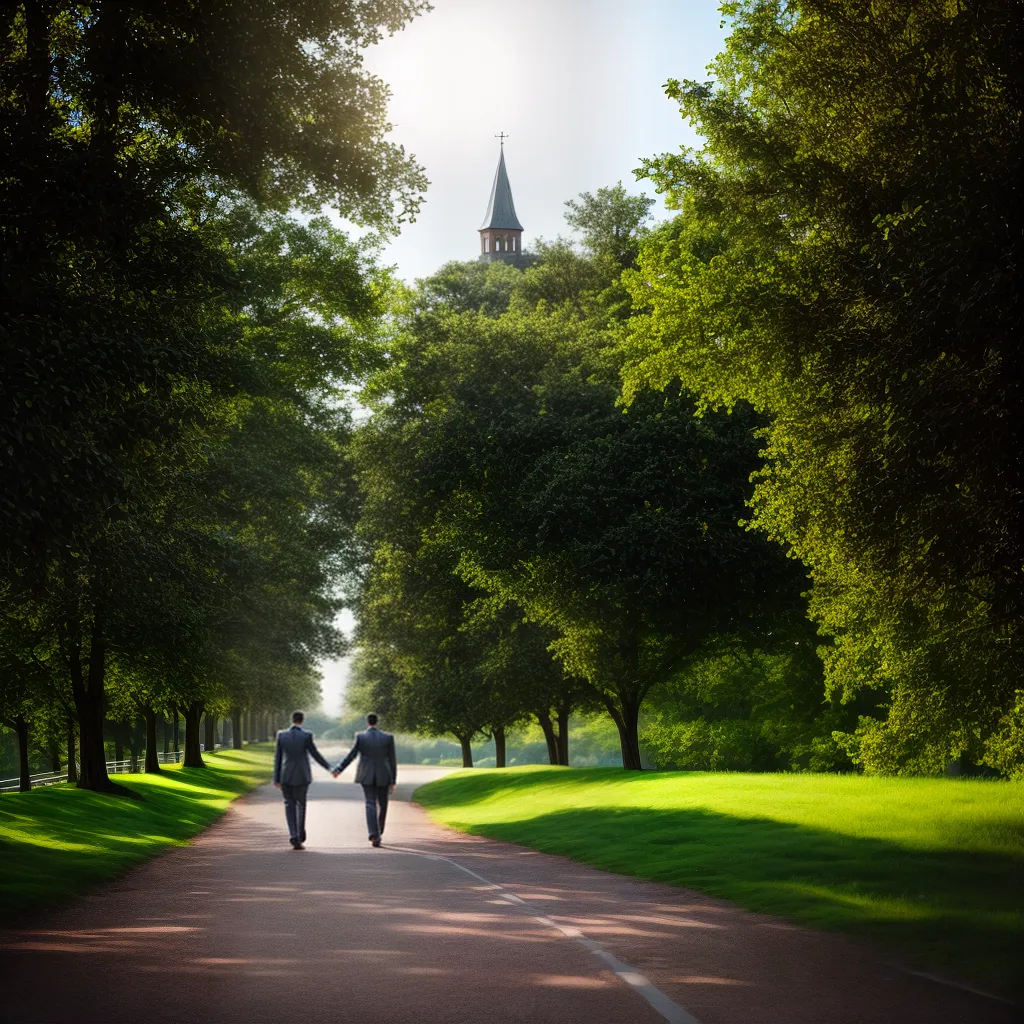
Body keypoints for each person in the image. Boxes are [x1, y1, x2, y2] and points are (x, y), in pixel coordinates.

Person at [333, 713, 397, 847]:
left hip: (366, 774)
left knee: (370, 803)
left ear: (367, 722)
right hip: (383, 774)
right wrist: (393, 780)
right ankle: (379, 832)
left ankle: (374, 834)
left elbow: (351, 755)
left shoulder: (360, 737)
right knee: (383, 804)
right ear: (377, 722)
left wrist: (339, 769)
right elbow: (392, 760)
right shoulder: (387, 738)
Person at [273, 710, 334, 850]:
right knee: (301, 804)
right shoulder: (306, 736)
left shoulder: (281, 735)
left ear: (292, 720)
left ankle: (293, 834)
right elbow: (315, 754)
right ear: (302, 720)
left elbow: (278, 758)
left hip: (286, 775)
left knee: (289, 804)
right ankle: (300, 835)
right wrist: (329, 768)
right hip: (302, 775)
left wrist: (276, 777)